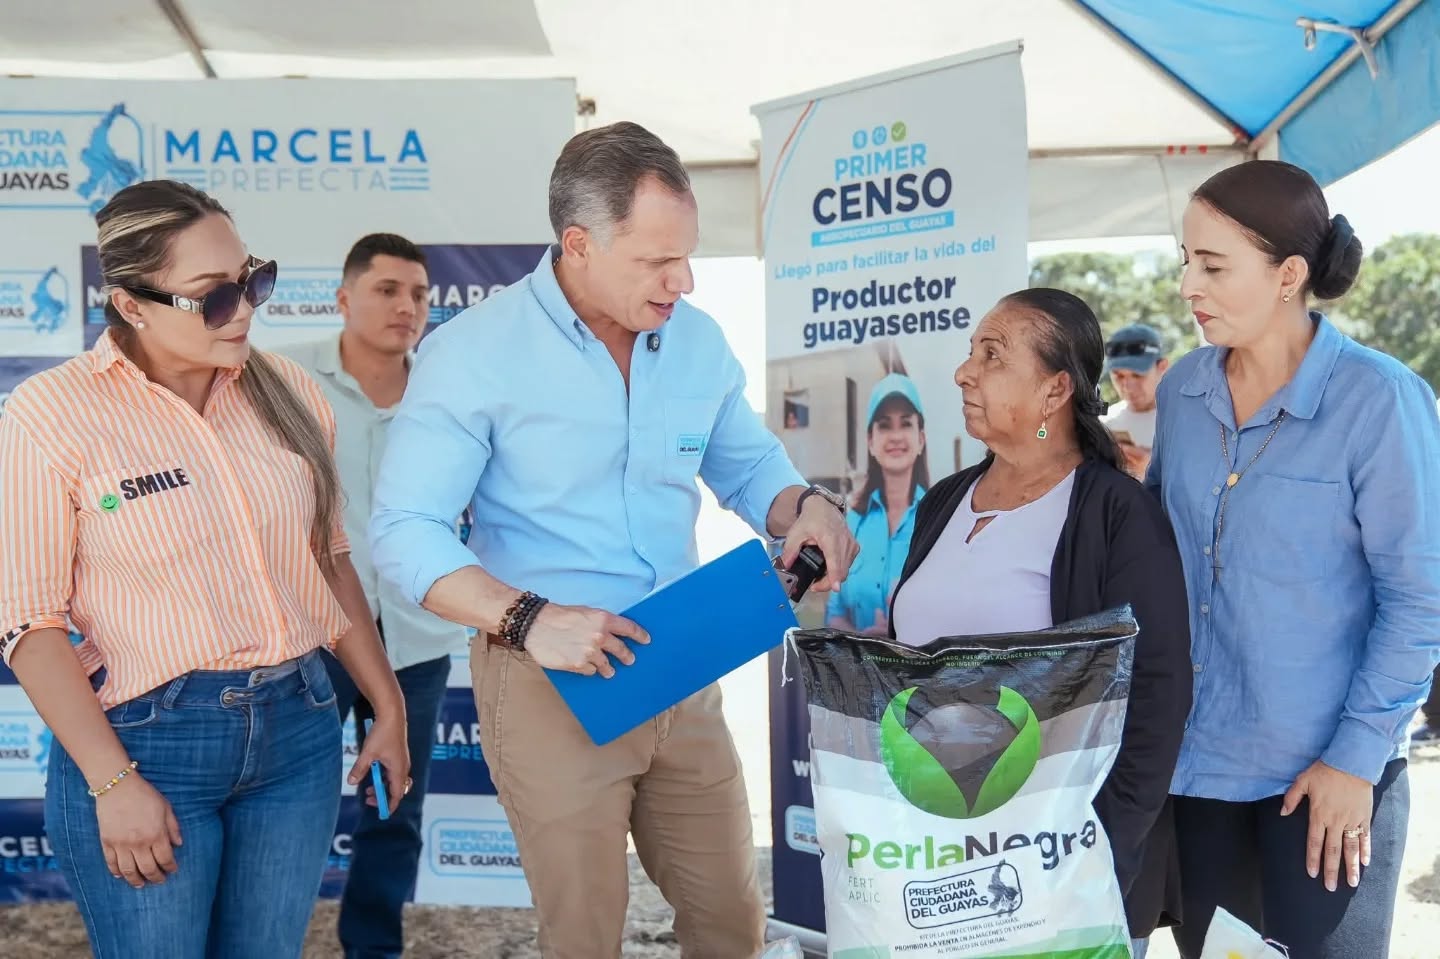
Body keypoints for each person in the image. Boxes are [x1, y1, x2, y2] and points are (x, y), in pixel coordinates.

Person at [368, 121, 858, 958]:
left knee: (732, 924)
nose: (683, 281)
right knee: (585, 937)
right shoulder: (474, 353)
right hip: (549, 678)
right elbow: (404, 529)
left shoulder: (696, 339)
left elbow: (750, 469)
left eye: (688, 256)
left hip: (683, 663)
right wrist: (529, 618)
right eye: (658, 261)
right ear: (578, 245)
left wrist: (805, 505)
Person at [0, 180, 409, 958]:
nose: (245, 309)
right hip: (148, 746)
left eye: (253, 280)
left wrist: (386, 704)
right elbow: (28, 624)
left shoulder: (290, 391)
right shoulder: (51, 414)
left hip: (299, 734)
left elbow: (327, 559)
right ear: (133, 305)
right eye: (214, 296)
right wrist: (113, 782)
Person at [1147, 160, 1440, 959]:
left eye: (1213, 266)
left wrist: (1354, 760)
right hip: (1200, 775)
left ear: (1289, 275)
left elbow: (1420, 599)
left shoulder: (1381, 399)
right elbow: (1159, 559)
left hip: (1330, 782)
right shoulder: (1181, 392)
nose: (1188, 286)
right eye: (1186, 261)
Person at [888, 288, 1193, 958]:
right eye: (971, 353)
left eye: (992, 356)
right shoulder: (944, 502)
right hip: (940, 851)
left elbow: (1156, 696)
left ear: (1056, 389)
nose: (964, 372)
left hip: (1063, 872)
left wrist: (1096, 851)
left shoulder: (1116, 513)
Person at [282, 234, 470, 959]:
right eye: (387, 289)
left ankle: (373, 949)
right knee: (285, 810)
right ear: (343, 298)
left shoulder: (448, 392)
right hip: (313, 635)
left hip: (417, 639)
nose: (407, 306)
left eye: (419, 294)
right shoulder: (282, 377)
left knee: (395, 808)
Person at [826, 372, 929, 636]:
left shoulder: (940, 520)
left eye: (905, 424)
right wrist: (865, 641)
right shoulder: (851, 523)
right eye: (884, 425)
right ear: (870, 442)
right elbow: (834, 614)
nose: (895, 436)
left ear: (921, 439)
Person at [1101, 323, 1169, 479]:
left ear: (1162, 367)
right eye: (1118, 376)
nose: (1127, 386)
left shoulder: (1187, 419)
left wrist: (1155, 472)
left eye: (1137, 375)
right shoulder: (1104, 425)